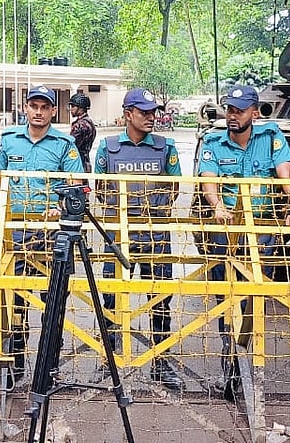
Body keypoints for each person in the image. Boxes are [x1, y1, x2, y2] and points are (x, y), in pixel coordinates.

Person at [196, 84, 290, 397]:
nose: (232, 115)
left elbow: (286, 175)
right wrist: (216, 205)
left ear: (254, 112)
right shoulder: (213, 141)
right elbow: (209, 178)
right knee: (227, 301)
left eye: (239, 110)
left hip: (262, 231)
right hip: (226, 233)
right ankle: (230, 366)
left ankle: (248, 366)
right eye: (229, 109)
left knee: (254, 300)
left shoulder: (271, 137)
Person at [0, 85, 83, 390]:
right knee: (15, 302)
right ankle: (15, 366)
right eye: (34, 106)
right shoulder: (8, 143)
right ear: (26, 107)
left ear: (53, 111)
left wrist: (61, 208)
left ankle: (49, 371)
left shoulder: (65, 145)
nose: (39, 112)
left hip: (52, 236)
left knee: (53, 302)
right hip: (16, 233)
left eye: (45, 107)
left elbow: (77, 187)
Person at [94, 87, 184, 389]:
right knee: (110, 297)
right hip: (118, 235)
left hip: (156, 233)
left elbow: (174, 189)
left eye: (153, 112)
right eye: (143, 112)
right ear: (127, 114)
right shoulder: (107, 148)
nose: (151, 117)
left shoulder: (166, 147)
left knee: (160, 298)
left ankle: (161, 362)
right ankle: (110, 360)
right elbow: (101, 191)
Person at [68, 93, 96, 172]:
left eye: (73, 106)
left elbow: (71, 146)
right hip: (84, 163)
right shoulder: (89, 122)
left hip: (77, 164)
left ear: (81, 108)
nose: (71, 109)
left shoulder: (81, 125)